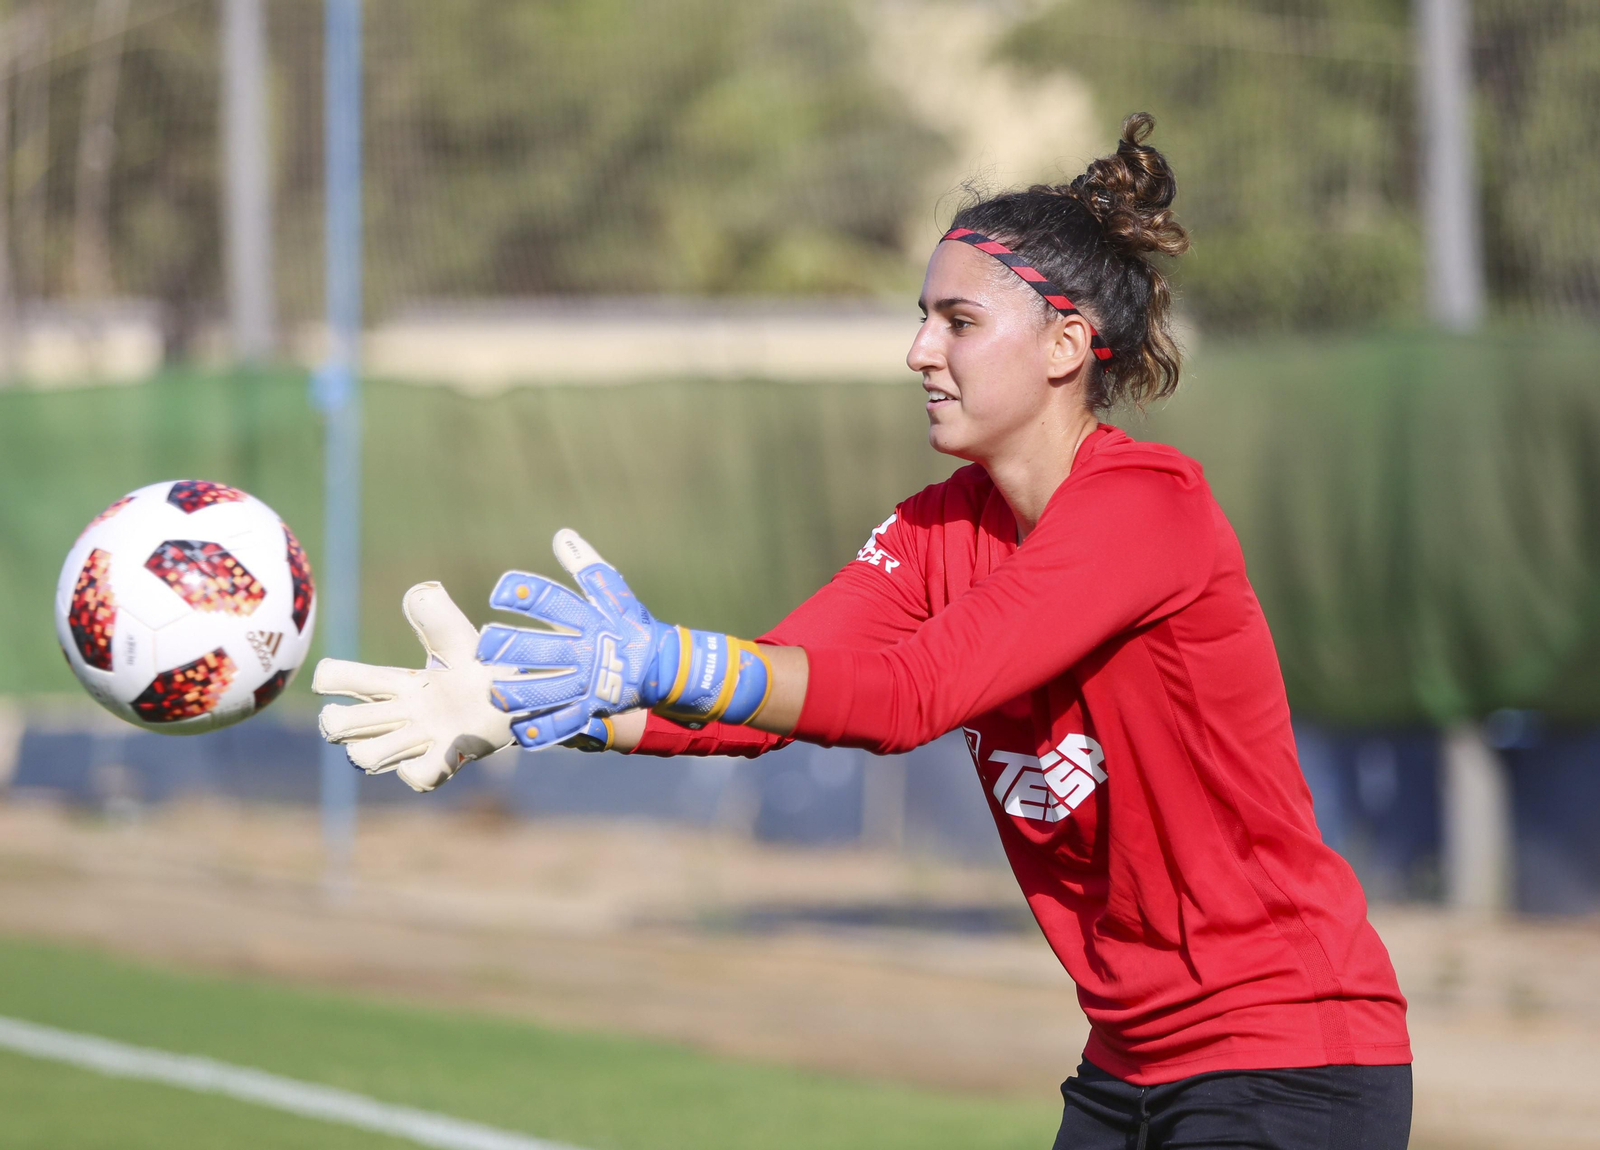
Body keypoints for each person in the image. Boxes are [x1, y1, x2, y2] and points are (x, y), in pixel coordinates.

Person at [314, 113, 1413, 1150]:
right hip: (1127, 1064)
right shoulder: (939, 529)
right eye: (923, 316)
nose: (918, 351)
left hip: (1290, 1059)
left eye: (959, 321)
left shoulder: (1146, 507)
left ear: (1066, 343)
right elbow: (760, 705)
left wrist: (658, 658)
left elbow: (902, 699)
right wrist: (535, 710)